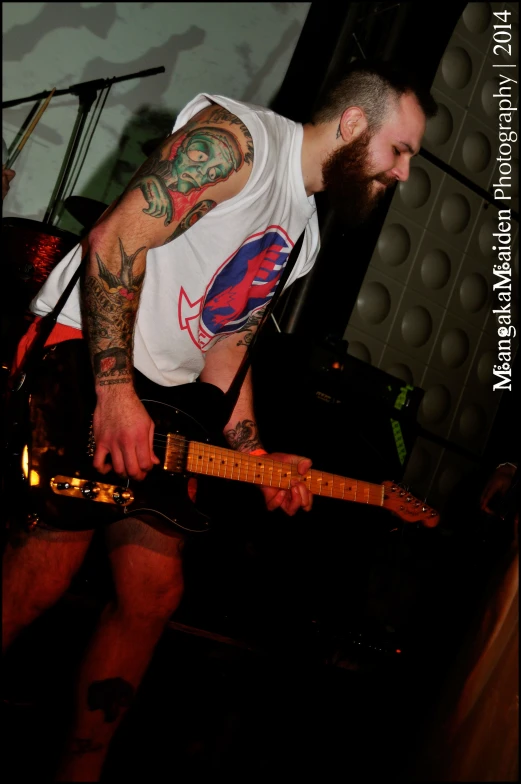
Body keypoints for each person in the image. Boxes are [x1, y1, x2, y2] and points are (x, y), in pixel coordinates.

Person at [2, 59, 435, 781]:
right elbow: (112, 243)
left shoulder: (304, 236)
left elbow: (226, 345)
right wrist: (113, 395)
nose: (403, 174)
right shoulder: (236, 143)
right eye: (401, 150)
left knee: (152, 593)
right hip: (83, 358)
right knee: (44, 571)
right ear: (354, 124)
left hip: (158, 398)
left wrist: (256, 453)